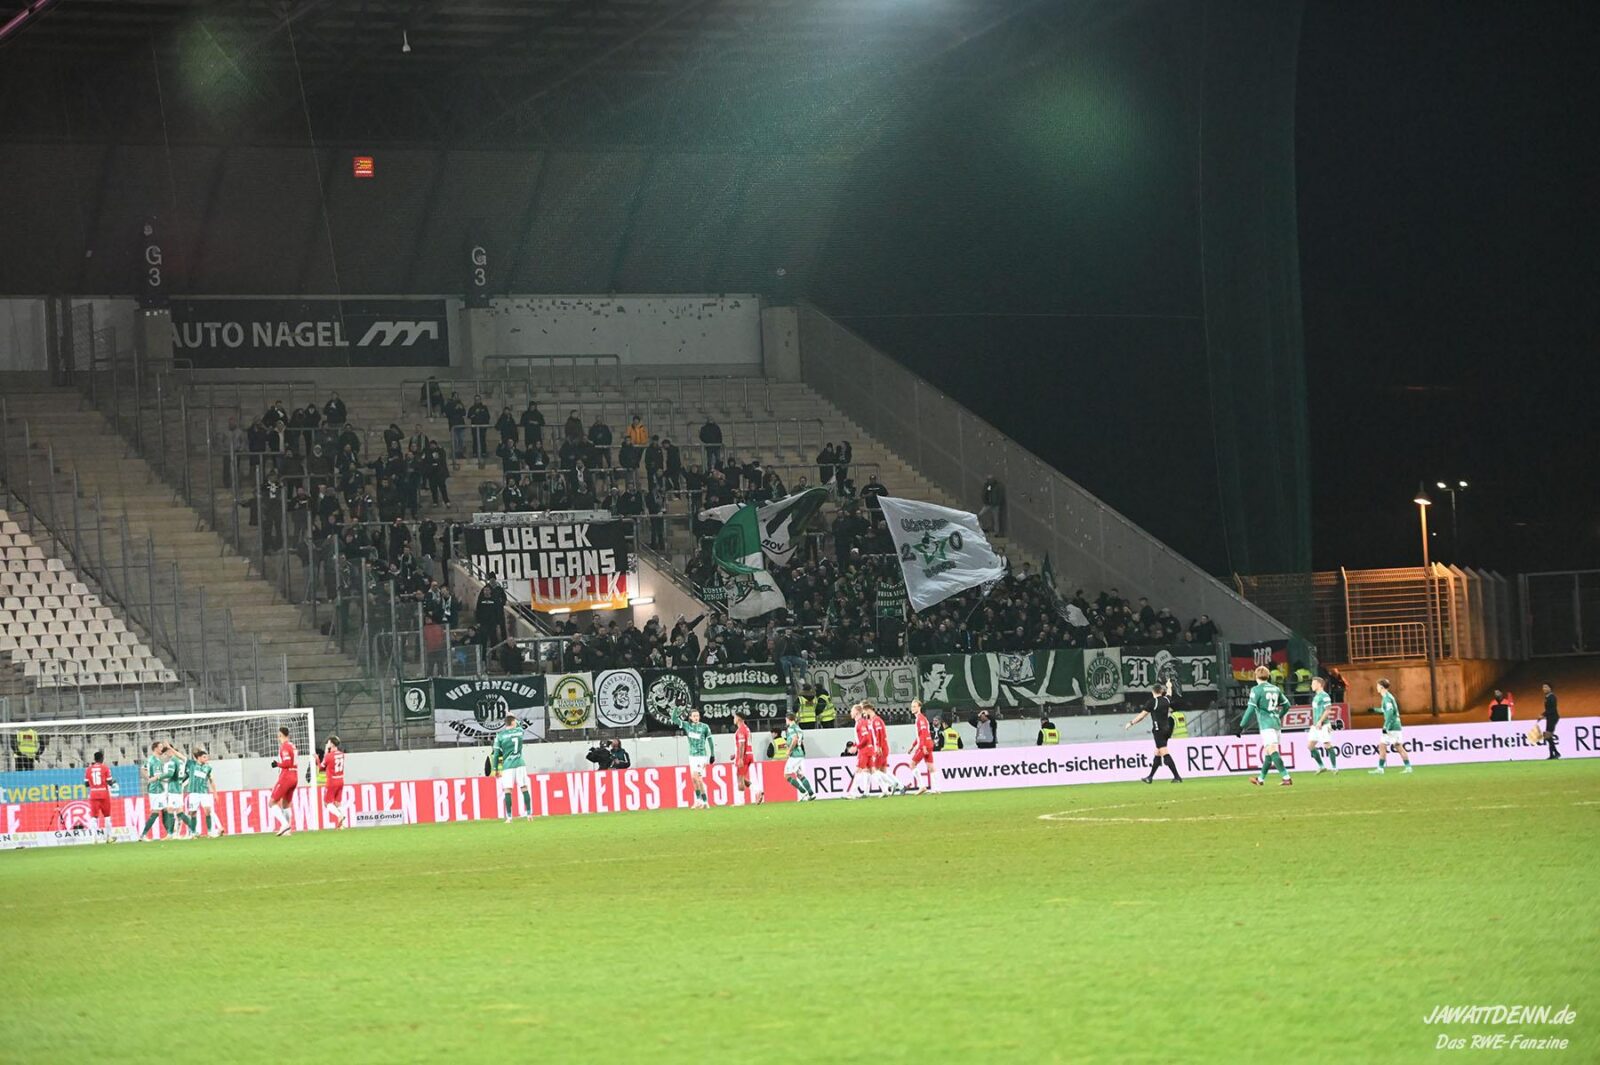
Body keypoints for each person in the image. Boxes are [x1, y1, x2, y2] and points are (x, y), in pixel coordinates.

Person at [1239, 665, 1292, 786]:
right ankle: (1261, 779)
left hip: (1266, 725)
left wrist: (1242, 724)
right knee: (1268, 753)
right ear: (1268, 676)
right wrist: (1279, 715)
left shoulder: (1256, 690)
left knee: (1272, 749)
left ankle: (1286, 777)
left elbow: (1250, 708)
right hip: (1276, 724)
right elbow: (1287, 705)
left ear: (1256, 676)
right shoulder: (1275, 688)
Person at [1125, 683, 1182, 783]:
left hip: (1158, 730)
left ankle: (1177, 776)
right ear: (1161, 691)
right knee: (1158, 753)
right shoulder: (1166, 700)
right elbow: (1169, 693)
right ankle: (1150, 777)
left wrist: (1131, 723)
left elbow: (1142, 715)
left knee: (1164, 752)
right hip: (1167, 729)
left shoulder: (1152, 702)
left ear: (1153, 691)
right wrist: (1169, 686)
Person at [670, 705, 716, 809]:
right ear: (690, 717)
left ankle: (705, 802)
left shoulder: (704, 727)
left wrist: (712, 754)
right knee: (694, 779)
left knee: (698, 778)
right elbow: (674, 719)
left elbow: (710, 741)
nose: (696, 717)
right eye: (694, 716)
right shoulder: (687, 725)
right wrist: (677, 708)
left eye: (697, 716)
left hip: (701, 756)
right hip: (692, 756)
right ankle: (698, 801)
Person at [493, 714, 534, 822]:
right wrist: (513, 716)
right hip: (520, 764)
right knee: (524, 788)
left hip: (507, 766)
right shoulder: (520, 731)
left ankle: (509, 817)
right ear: (513, 722)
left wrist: (495, 769)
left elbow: (496, 754)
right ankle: (529, 814)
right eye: (514, 721)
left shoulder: (500, 736)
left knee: (507, 790)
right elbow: (520, 724)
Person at [1368, 678, 1412, 775]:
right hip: (1394, 725)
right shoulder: (1387, 697)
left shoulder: (1387, 698)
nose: (1377, 688)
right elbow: (1386, 711)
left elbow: (1390, 713)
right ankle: (1382, 768)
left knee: (1393, 746)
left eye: (1378, 686)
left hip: (1392, 727)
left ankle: (1382, 768)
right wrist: (1375, 710)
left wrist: (1385, 727)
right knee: (1386, 745)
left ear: (1382, 687)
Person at [1304, 676, 1339, 773]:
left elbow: (1328, 710)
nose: (1311, 685)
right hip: (1315, 726)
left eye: (1313, 683)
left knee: (1327, 745)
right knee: (1310, 746)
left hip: (1323, 725)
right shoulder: (1316, 696)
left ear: (1319, 684)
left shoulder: (1325, 696)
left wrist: (1321, 721)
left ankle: (1334, 767)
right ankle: (1322, 766)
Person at [185, 746, 222, 838]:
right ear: (199, 758)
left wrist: (215, 793)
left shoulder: (208, 767)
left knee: (208, 810)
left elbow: (212, 781)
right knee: (193, 812)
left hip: (204, 792)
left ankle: (210, 832)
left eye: (207, 757)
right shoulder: (192, 764)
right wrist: (170, 748)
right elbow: (181, 756)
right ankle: (193, 833)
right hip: (193, 792)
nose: (207, 759)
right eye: (205, 757)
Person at [268, 725, 299, 836]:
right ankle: (288, 831)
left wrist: (277, 764)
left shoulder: (284, 746)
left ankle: (284, 824)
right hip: (295, 776)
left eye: (278, 734)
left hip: (286, 776)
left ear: (280, 734)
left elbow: (286, 763)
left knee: (272, 802)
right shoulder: (293, 746)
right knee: (286, 804)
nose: (277, 737)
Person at [866, 703, 901, 794]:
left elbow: (879, 734)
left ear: (868, 709)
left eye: (864, 710)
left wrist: (878, 746)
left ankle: (892, 784)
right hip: (881, 747)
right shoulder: (873, 720)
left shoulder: (876, 720)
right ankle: (900, 786)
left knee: (874, 769)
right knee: (883, 770)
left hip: (881, 748)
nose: (864, 713)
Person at [781, 711, 815, 801]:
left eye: (786, 720)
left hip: (794, 755)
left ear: (788, 719)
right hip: (800, 754)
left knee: (786, 775)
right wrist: (788, 744)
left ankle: (802, 792)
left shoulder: (791, 728)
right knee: (799, 774)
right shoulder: (799, 728)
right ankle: (811, 793)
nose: (786, 722)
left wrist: (789, 750)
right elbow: (800, 741)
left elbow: (795, 739)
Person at [138, 741, 168, 841]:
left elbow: (160, 775)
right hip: (154, 789)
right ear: (155, 748)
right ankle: (143, 835)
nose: (162, 749)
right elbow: (142, 769)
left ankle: (169, 834)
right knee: (155, 813)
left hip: (161, 788)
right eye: (160, 747)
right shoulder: (151, 759)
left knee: (165, 810)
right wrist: (148, 778)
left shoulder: (159, 760)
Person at [847, 703, 878, 799]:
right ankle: (867, 791)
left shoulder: (860, 723)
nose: (850, 713)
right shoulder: (862, 722)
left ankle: (852, 792)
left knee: (858, 770)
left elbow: (865, 738)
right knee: (869, 771)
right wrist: (855, 745)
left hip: (864, 750)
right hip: (867, 749)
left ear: (856, 712)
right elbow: (863, 738)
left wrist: (857, 747)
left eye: (852, 711)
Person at [732, 709, 763, 805]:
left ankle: (740, 802)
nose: (734, 719)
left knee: (739, 778)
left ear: (738, 718)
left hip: (744, 756)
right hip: (749, 754)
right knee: (743, 778)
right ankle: (757, 791)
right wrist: (735, 754)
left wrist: (740, 757)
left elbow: (742, 744)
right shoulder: (747, 728)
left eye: (734, 717)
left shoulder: (740, 730)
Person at [319, 737, 349, 830]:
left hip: (332, 781)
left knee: (327, 803)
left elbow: (321, 768)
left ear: (331, 744)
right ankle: (343, 825)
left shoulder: (329, 756)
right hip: (340, 780)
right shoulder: (342, 754)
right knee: (337, 803)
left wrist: (317, 759)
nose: (327, 744)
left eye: (328, 743)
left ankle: (340, 815)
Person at [84, 750, 114, 842]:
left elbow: (86, 784)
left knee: (94, 817)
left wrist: (93, 784)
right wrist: (113, 782)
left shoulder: (88, 769)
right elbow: (110, 782)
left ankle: (94, 838)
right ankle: (108, 837)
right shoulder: (105, 768)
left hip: (93, 793)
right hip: (104, 794)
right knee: (107, 816)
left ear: (94, 759)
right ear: (102, 758)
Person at [907, 698, 935, 793]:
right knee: (930, 766)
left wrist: (922, 746)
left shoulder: (920, 718)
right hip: (928, 743)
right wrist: (913, 745)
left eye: (914, 706)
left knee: (912, 764)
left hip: (925, 745)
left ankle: (922, 786)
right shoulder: (921, 718)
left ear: (919, 707)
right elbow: (921, 735)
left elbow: (922, 734)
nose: (912, 708)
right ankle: (937, 788)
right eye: (912, 707)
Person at [1540, 683, 1560, 759]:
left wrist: (1543, 714)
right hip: (1549, 717)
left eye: (1546, 687)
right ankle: (1553, 754)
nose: (1544, 689)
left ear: (1550, 688)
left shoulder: (1552, 697)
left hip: (1553, 717)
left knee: (1548, 736)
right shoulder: (1547, 697)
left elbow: (1552, 709)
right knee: (1548, 736)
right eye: (1543, 687)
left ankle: (1556, 753)